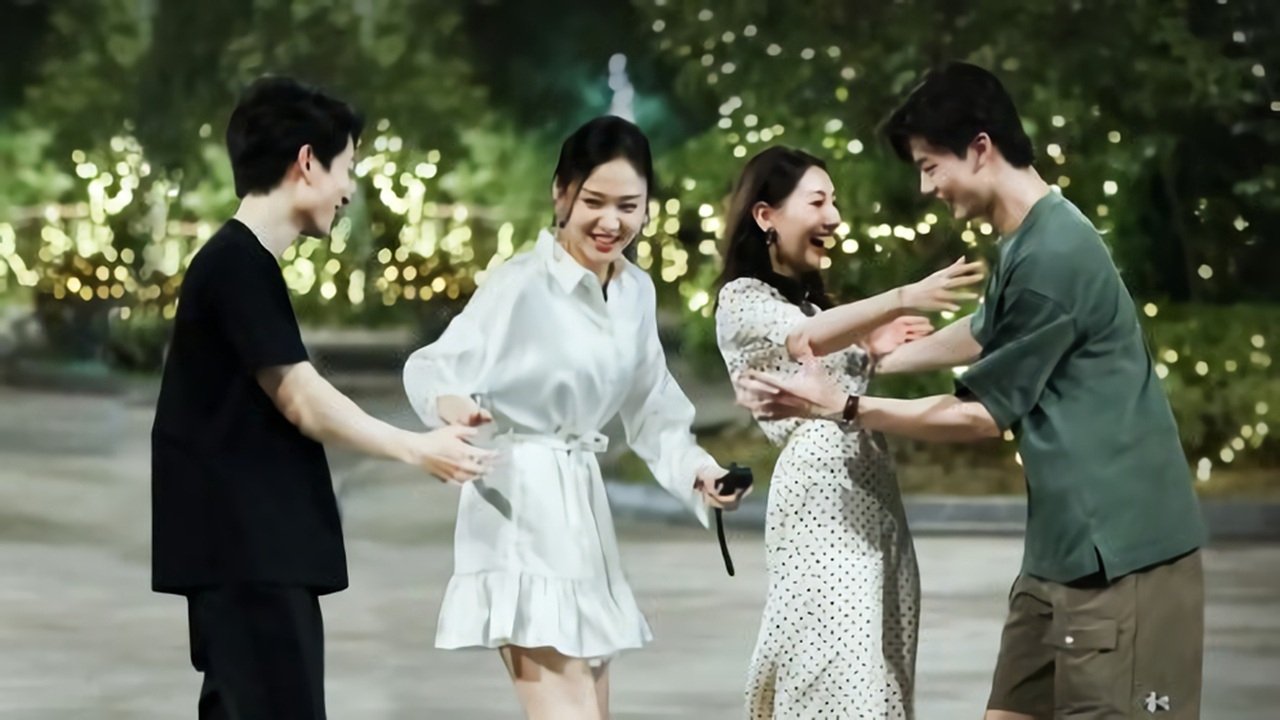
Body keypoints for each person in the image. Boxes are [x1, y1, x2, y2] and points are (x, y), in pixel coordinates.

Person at [735, 62, 1207, 720]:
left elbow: (979, 415)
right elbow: (984, 329)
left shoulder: (1054, 255)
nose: (926, 186)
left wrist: (844, 406)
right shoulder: (1028, 238)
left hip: (1124, 553)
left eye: (930, 165)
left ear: (980, 148)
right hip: (1062, 551)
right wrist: (872, 359)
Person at [151, 76, 492, 720]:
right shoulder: (236, 266)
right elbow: (301, 397)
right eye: (348, 167)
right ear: (307, 162)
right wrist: (416, 448)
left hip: (247, 555)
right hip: (249, 556)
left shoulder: (238, 264)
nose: (349, 189)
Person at [403, 115, 749, 720]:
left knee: (591, 707)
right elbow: (432, 366)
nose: (611, 222)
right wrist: (450, 406)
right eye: (594, 201)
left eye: (628, 206)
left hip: (583, 517)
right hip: (518, 506)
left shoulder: (635, 292)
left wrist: (699, 472)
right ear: (561, 194)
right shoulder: (521, 284)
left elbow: (653, 407)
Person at [714, 145, 984, 719]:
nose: (834, 217)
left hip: (874, 494)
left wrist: (872, 349)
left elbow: (838, 347)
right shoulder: (741, 300)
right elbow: (803, 340)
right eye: (818, 202)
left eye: (834, 202)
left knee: (885, 671)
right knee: (838, 674)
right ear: (765, 215)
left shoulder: (815, 308)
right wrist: (901, 299)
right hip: (820, 501)